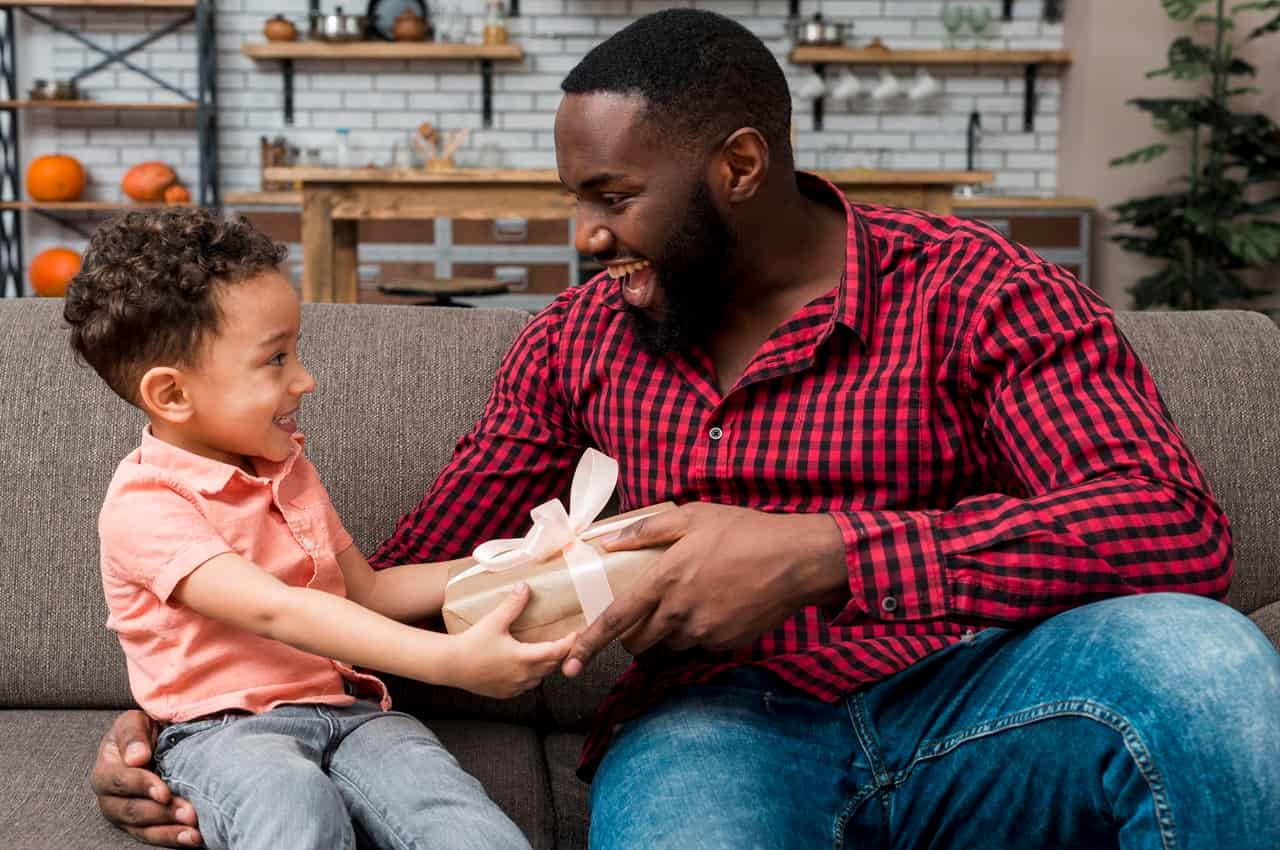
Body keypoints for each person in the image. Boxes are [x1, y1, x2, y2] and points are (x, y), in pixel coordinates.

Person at [93, 10, 1280, 850]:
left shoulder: (972, 288)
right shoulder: (576, 340)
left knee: (1199, 659)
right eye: (578, 202)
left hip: (980, 701)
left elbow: (1172, 525)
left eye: (613, 198)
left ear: (739, 166)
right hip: (710, 732)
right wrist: (187, 717)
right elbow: (378, 590)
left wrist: (825, 556)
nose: (585, 238)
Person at [68, 208, 575, 850]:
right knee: (296, 814)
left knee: (458, 820)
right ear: (170, 395)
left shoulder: (288, 467)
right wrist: (450, 661)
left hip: (353, 713)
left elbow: (364, 591)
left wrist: (516, 561)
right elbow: (279, 611)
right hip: (223, 733)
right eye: (276, 359)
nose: (305, 379)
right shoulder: (144, 504)